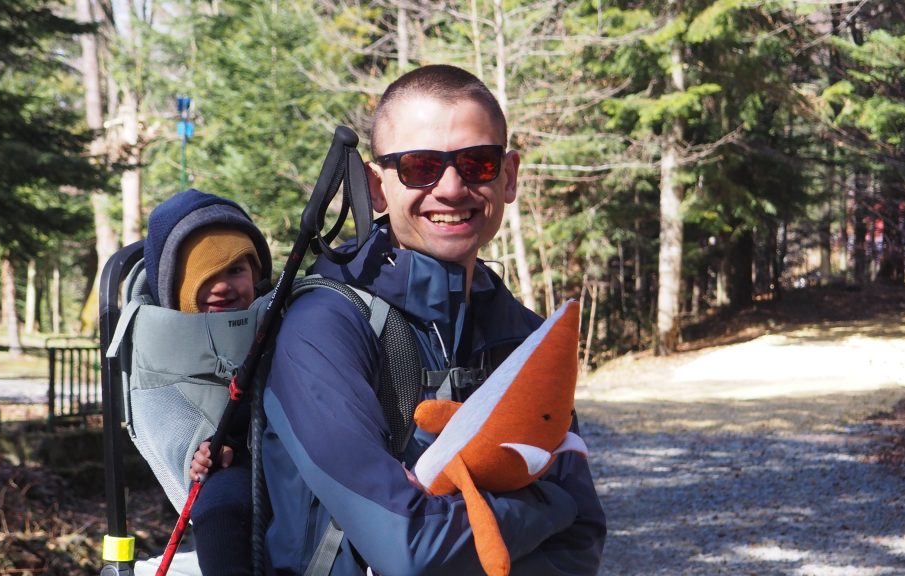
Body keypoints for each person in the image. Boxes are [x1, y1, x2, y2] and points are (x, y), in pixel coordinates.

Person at [262, 64, 606, 575]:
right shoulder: (325, 326)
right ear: (377, 188)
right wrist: (549, 508)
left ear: (508, 176)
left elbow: (581, 546)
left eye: (477, 163)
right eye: (419, 166)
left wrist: (546, 517)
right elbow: (408, 548)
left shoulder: (527, 337)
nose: (450, 188)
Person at [143, 188, 273, 576]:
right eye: (203, 275)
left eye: (235, 269)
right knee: (219, 507)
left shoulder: (279, 316)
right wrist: (201, 451)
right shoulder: (159, 343)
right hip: (230, 472)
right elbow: (163, 419)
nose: (222, 286)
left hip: (291, 454)